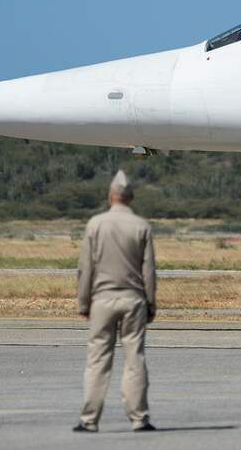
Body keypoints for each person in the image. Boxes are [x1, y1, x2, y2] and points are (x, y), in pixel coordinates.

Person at [73, 170, 157, 433]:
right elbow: (149, 270)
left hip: (102, 299)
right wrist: (151, 303)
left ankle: (89, 420)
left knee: (97, 359)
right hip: (133, 300)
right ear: (130, 198)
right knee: (135, 359)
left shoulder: (95, 224)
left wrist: (83, 303)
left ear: (110, 197)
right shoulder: (142, 226)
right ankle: (139, 419)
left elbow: (85, 268)